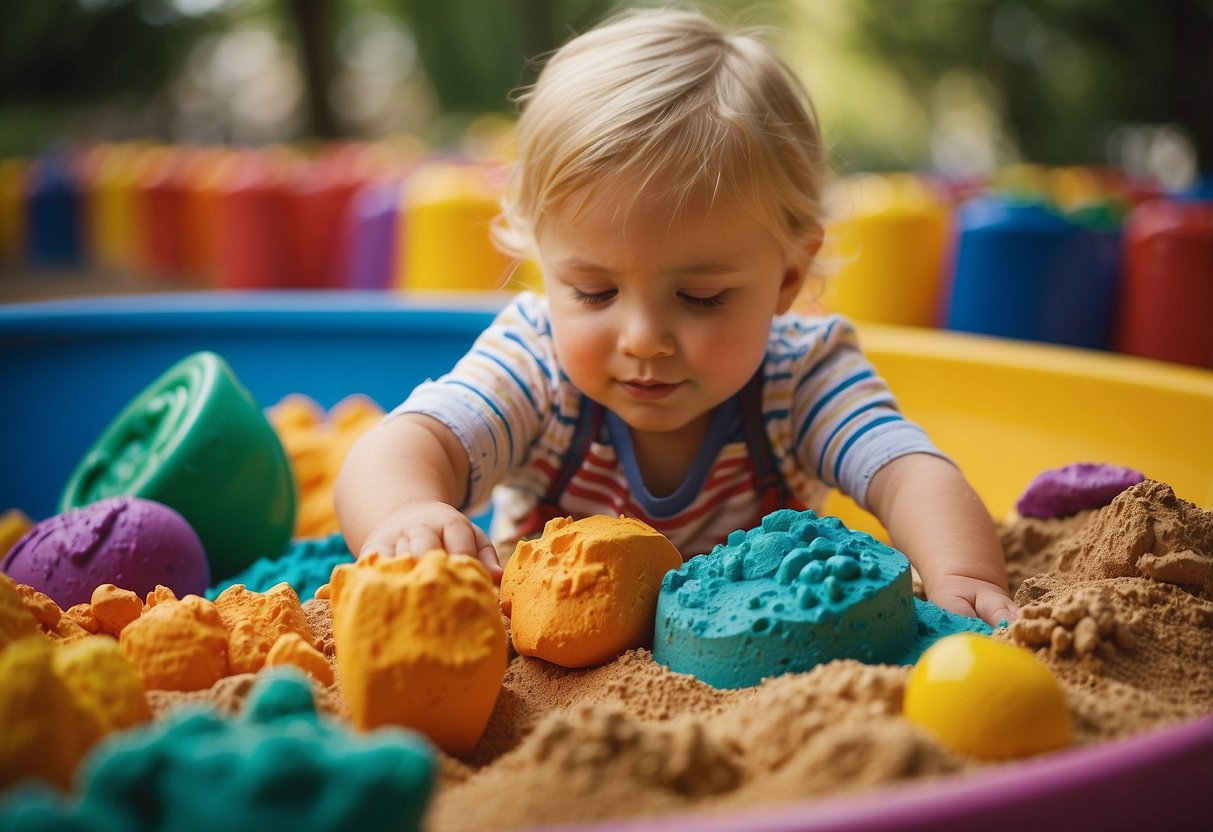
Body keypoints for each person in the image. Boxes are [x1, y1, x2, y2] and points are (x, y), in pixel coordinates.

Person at [334, 6, 1017, 626]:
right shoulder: (536, 363)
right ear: (547, 266)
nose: (642, 339)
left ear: (786, 277)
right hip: (550, 644)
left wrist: (962, 573)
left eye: (700, 298)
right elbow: (403, 446)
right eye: (594, 293)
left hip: (758, 647)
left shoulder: (800, 373)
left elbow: (907, 472)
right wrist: (406, 515)